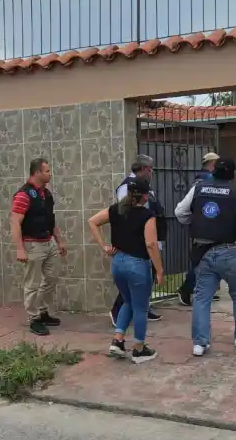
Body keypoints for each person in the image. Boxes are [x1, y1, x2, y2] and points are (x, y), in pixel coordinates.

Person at [175, 157, 236, 356]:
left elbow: (180, 212)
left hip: (203, 252)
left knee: (201, 297)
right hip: (230, 252)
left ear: (213, 170)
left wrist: (195, 220)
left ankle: (200, 343)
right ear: (233, 174)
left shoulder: (198, 188)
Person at [88, 177, 163, 364]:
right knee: (140, 307)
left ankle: (118, 340)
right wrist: (160, 270)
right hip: (137, 265)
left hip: (118, 263)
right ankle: (138, 349)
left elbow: (92, 221)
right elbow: (151, 244)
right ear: (145, 196)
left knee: (127, 301)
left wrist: (104, 246)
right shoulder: (147, 215)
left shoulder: (115, 210)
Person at [10, 158, 67, 336]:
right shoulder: (23, 195)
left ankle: (42, 311)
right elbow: (15, 222)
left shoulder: (46, 194)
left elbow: (51, 220)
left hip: (48, 242)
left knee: (51, 277)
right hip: (32, 244)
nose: (50, 174)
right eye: (47, 171)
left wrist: (59, 240)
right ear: (37, 173)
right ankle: (34, 319)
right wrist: (20, 249)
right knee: (32, 284)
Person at [111, 155, 165, 325]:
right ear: (142, 169)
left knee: (145, 278)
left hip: (147, 236)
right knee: (133, 279)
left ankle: (143, 307)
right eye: (150, 169)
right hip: (136, 240)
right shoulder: (127, 187)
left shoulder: (144, 187)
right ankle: (117, 312)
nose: (152, 172)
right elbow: (124, 214)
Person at [177, 152, 222, 305]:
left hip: (200, 225)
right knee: (201, 263)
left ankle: (205, 290)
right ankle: (186, 289)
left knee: (205, 262)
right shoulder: (207, 180)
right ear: (213, 163)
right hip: (207, 226)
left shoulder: (198, 179)